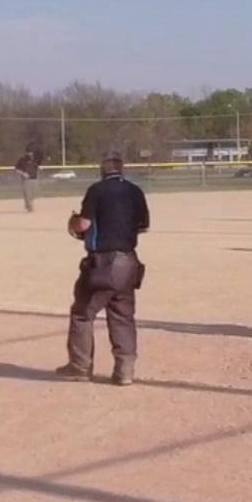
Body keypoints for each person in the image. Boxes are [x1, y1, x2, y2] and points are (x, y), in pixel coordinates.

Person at [58, 150, 150, 386]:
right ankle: (125, 371)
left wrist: (73, 223)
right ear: (121, 167)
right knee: (123, 316)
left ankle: (80, 366)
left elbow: (84, 224)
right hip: (128, 261)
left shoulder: (96, 190)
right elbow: (143, 226)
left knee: (82, 313)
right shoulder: (135, 191)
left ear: (102, 168)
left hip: (103, 262)